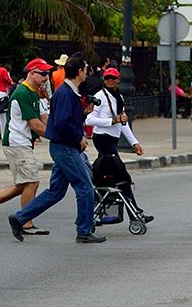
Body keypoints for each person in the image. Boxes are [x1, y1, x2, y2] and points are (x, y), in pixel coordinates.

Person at [9, 54, 104, 243]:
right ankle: (84, 231)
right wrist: (79, 137)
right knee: (84, 187)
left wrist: (83, 114)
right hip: (66, 148)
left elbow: (65, 119)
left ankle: (20, 217)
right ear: (79, 72)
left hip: (62, 147)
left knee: (57, 191)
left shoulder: (67, 92)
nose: (87, 74)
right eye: (85, 70)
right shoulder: (66, 94)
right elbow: (61, 123)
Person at [0, 58, 52, 236]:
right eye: (43, 73)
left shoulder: (34, 91)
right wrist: (57, 137)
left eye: (47, 74)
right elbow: (35, 124)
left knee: (24, 183)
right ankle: (26, 222)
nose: (46, 77)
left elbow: (43, 118)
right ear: (31, 73)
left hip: (22, 143)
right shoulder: (23, 93)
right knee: (32, 181)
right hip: (17, 143)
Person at [86, 66, 151, 221]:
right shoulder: (100, 97)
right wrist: (111, 120)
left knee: (110, 177)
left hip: (112, 139)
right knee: (122, 176)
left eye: (113, 78)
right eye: (107, 78)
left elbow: (123, 123)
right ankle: (135, 213)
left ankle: (102, 212)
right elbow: (89, 120)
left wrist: (134, 143)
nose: (110, 81)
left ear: (118, 80)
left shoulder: (119, 97)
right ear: (104, 79)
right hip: (103, 139)